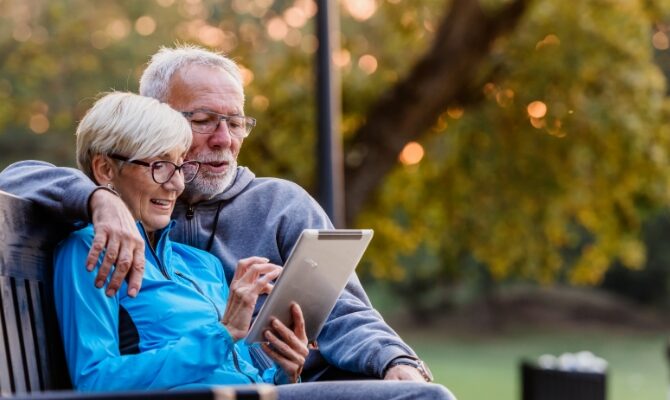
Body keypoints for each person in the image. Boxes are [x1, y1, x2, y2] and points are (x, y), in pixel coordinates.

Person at [0, 44, 432, 382]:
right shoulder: (108, 216)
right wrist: (99, 199)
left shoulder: (277, 208)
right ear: (155, 120)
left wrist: (392, 361)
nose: (224, 139)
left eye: (237, 122)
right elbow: (19, 177)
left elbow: (346, 313)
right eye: (204, 120)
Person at [54, 91, 454, 400]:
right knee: (420, 397)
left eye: (180, 166)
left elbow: (242, 367)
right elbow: (95, 383)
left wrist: (284, 367)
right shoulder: (88, 253)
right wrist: (224, 331)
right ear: (106, 169)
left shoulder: (200, 264)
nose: (175, 184)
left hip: (258, 394)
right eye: (159, 166)